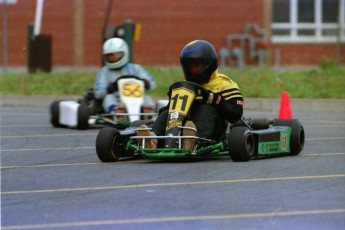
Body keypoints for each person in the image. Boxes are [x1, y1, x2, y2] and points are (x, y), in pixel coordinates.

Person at [140, 40, 244, 149]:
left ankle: (194, 140)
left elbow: (236, 113)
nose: (191, 70)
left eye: (196, 65)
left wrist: (216, 100)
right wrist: (168, 110)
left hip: (213, 130)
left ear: (209, 63)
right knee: (168, 113)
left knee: (205, 109)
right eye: (188, 66)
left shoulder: (225, 84)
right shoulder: (186, 87)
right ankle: (153, 139)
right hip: (183, 127)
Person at [93, 37, 156, 114]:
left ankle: (147, 112)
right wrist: (111, 88)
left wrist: (145, 83)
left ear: (125, 52)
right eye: (110, 55)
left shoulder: (136, 68)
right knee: (108, 98)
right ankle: (117, 112)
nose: (114, 57)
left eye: (117, 54)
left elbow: (152, 85)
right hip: (117, 100)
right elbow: (98, 94)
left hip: (137, 98)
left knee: (147, 98)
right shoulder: (104, 71)